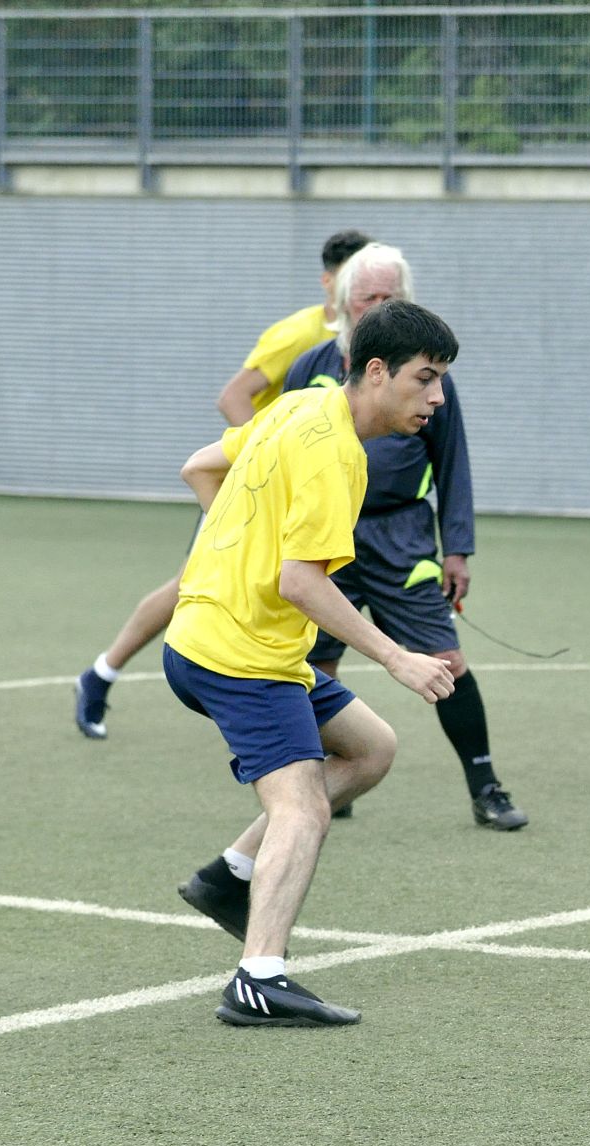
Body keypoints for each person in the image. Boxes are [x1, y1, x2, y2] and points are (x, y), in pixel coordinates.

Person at [166, 299, 461, 1027]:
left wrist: (232, 549)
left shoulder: (301, 403)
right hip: (240, 656)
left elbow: (199, 466)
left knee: (370, 749)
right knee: (300, 808)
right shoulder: (338, 456)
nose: (437, 397)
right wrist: (397, 658)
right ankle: (258, 979)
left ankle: (229, 876)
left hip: (223, 637)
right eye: (425, 378)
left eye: (441, 381)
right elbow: (301, 582)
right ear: (376, 371)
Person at [72, 228, 374, 740]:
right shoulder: (299, 334)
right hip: (253, 491)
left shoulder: (369, 349)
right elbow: (233, 396)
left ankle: (290, 705)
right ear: (330, 283)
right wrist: (261, 463)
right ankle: (102, 673)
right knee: (190, 586)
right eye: (358, 284)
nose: (367, 297)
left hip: (292, 494)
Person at [279, 243, 529, 832]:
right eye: (367, 296)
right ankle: (336, 782)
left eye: (390, 296)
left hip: (403, 538)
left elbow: (453, 462)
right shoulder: (310, 368)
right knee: (316, 663)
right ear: (344, 301)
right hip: (325, 536)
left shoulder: (427, 379)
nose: (378, 305)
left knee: (445, 660)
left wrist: (457, 549)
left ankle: (485, 787)